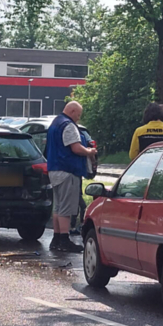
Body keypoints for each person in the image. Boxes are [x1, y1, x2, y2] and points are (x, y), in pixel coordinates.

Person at [45, 101, 96, 253]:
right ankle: (64, 239)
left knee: (58, 206)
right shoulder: (68, 125)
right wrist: (89, 152)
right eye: (78, 115)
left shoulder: (55, 123)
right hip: (67, 170)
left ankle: (56, 238)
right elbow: (76, 148)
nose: (78, 119)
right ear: (72, 111)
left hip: (54, 169)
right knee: (66, 207)